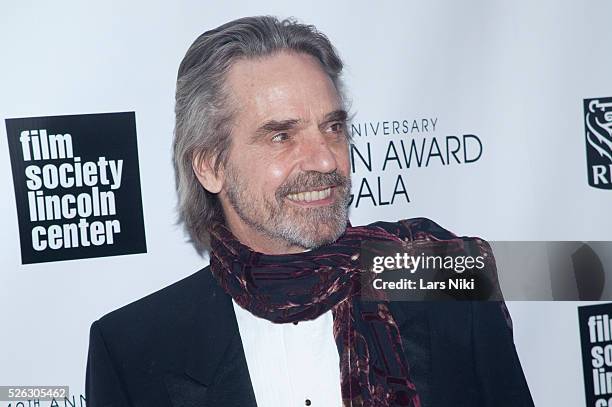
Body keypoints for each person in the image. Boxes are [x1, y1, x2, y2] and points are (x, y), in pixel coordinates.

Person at [85, 15, 534, 407]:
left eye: (333, 127)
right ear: (211, 166)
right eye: (282, 135)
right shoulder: (133, 347)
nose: (325, 160)